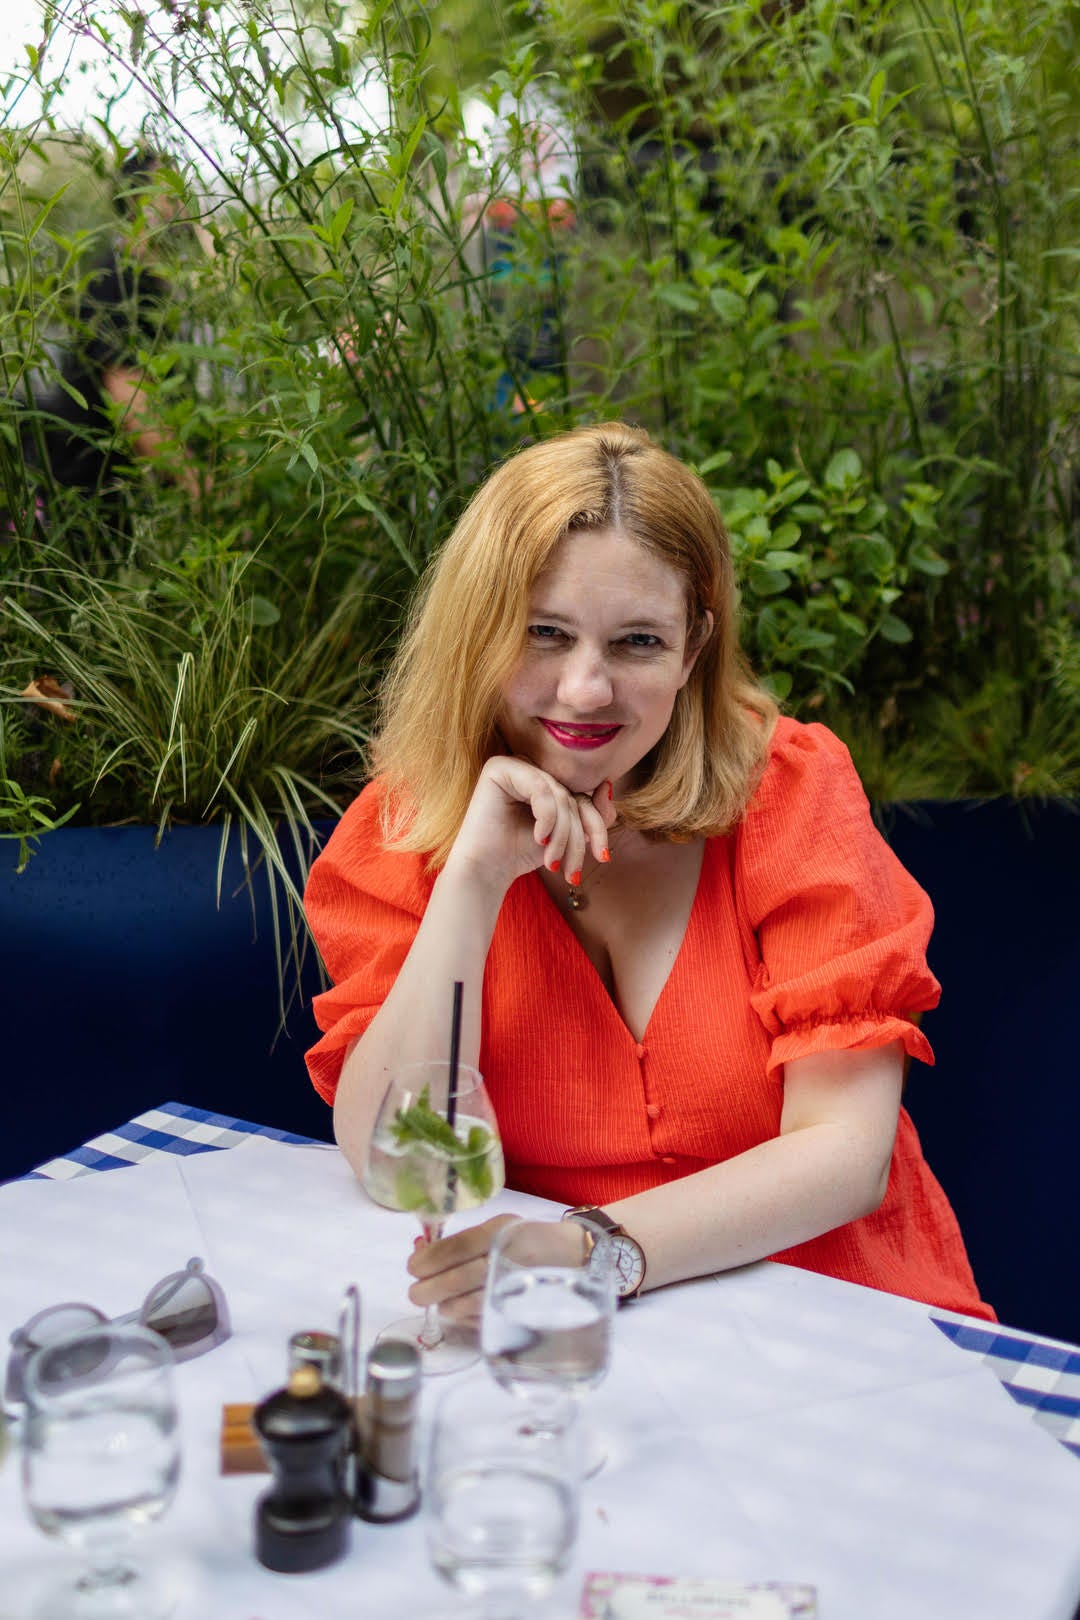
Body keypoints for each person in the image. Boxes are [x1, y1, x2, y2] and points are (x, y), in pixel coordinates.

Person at [304, 421, 994, 1326]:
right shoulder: (405, 829)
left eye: (636, 644)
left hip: (832, 1310)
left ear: (694, 647)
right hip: (562, 1327)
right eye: (544, 633)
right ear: (478, 634)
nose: (586, 690)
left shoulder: (788, 796)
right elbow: (389, 1150)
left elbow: (845, 1153)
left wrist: (590, 1252)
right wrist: (473, 878)